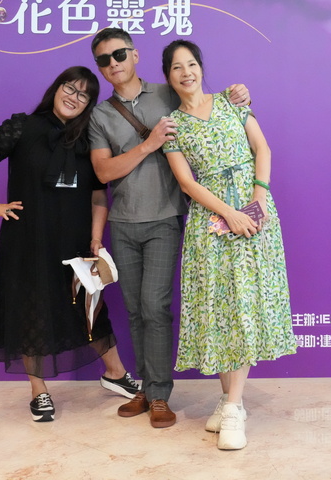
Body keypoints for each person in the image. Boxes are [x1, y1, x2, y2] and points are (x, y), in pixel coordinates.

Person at [87, 28, 250, 429]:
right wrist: (148, 144)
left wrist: (238, 95)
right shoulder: (101, 115)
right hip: (123, 221)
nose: (113, 64)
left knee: (155, 306)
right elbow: (103, 172)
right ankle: (145, 388)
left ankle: (159, 393)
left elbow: (208, 103)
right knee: (135, 309)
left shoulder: (167, 92)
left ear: (135, 55)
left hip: (164, 217)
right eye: (104, 60)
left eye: (119, 54)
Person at [0, 65, 140, 422]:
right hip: (27, 239)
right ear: (57, 88)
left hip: (75, 240)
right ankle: (39, 391)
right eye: (70, 88)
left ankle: (115, 373)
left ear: (89, 104)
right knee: (31, 311)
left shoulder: (90, 139)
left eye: (84, 95)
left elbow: (98, 196)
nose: (74, 98)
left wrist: (96, 238)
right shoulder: (23, 126)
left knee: (90, 309)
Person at [160, 40, 296, 450]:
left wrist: (258, 198)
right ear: (168, 76)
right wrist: (228, 213)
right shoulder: (171, 126)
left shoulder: (232, 101)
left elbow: (262, 148)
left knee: (244, 303)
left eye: (192, 64)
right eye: (177, 67)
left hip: (254, 213)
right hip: (210, 220)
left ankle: (234, 406)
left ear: (201, 68)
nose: (186, 73)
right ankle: (229, 400)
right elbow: (186, 182)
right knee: (219, 306)